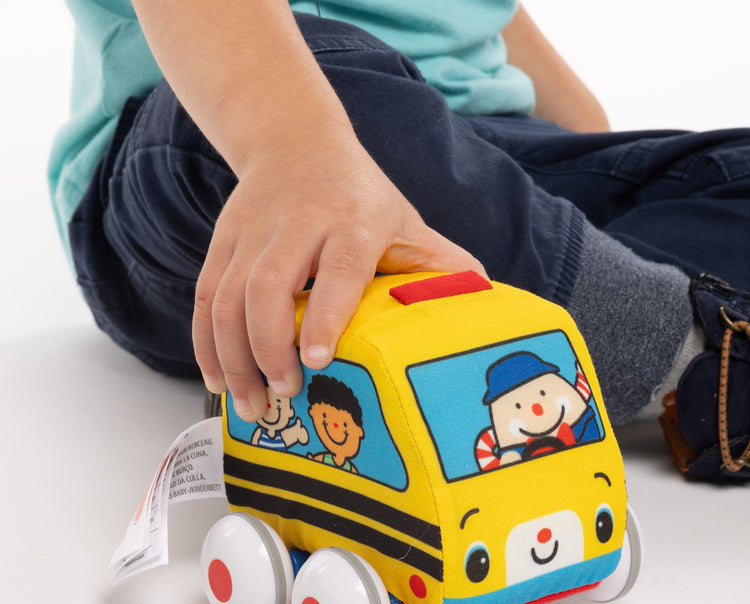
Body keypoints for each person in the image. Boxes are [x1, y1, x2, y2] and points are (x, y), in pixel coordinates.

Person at [48, 0, 750, 482]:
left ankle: (657, 307)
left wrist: (604, 185)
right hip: (230, 142)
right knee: (356, 117)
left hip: (481, 138)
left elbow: (493, 23)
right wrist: (296, 151)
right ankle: (687, 360)